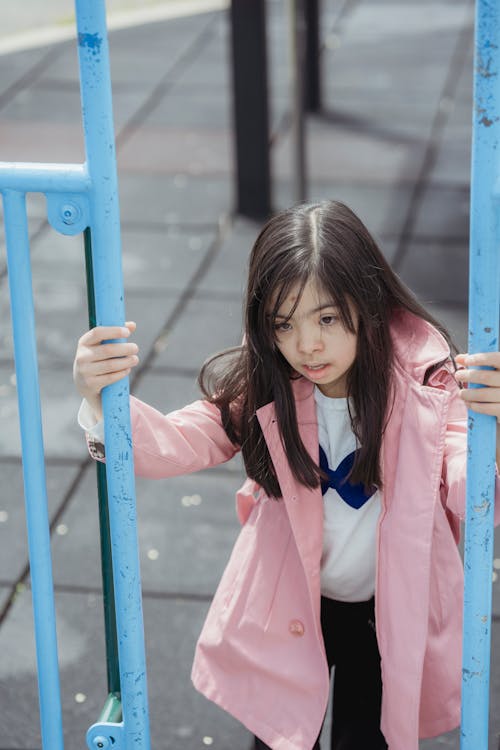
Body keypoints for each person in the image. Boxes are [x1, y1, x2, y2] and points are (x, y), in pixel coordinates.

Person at [73, 200, 500, 750]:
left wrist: (492, 431)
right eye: (284, 323)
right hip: (297, 598)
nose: (307, 344)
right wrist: (99, 400)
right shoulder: (269, 388)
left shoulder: (429, 389)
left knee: (366, 736)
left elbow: (472, 485)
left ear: (368, 303)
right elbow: (177, 442)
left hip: (385, 607)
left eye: (326, 318)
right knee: (279, 736)